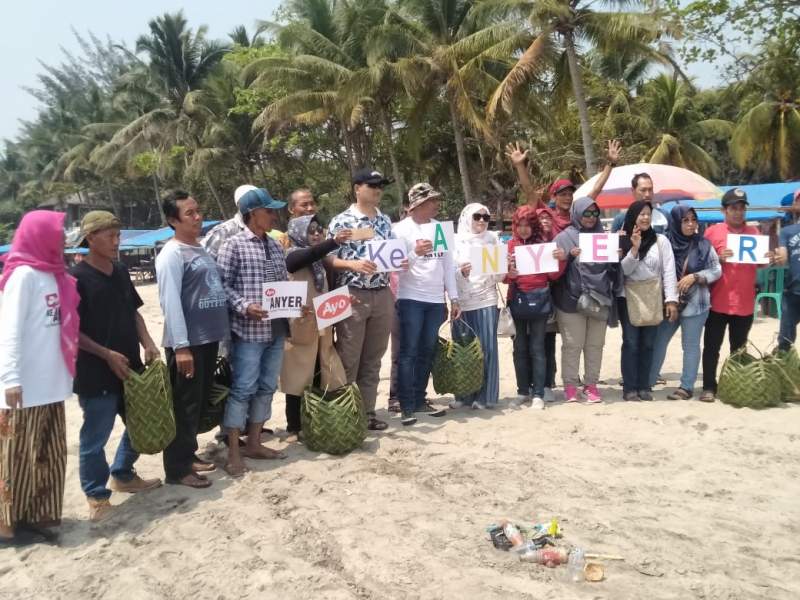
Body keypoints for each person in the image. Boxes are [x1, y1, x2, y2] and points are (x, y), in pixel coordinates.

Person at [71, 211, 162, 522]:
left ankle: (122, 473)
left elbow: (134, 312)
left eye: (117, 234)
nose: (115, 241)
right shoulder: (76, 279)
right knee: (95, 437)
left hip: (131, 364)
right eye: (109, 235)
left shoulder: (121, 271)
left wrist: (148, 341)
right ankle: (96, 495)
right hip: (95, 372)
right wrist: (105, 353)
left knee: (140, 423)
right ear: (90, 239)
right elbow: (72, 331)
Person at [0, 211, 78, 545]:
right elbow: (10, 331)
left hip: (52, 384)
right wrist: (10, 377)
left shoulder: (56, 275)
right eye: (58, 233)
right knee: (14, 458)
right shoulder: (24, 277)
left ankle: (36, 514)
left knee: (49, 454)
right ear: (40, 235)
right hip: (24, 387)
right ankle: (5, 525)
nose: (63, 239)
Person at [156, 190, 230, 488]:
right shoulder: (171, 254)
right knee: (183, 405)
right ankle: (177, 470)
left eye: (198, 211)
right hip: (188, 343)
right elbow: (170, 302)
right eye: (189, 213)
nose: (197, 217)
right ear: (173, 220)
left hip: (208, 338)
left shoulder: (199, 248)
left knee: (197, 404)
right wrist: (181, 346)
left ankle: (188, 455)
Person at [217, 188, 289, 477]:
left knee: (267, 387)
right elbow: (220, 285)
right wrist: (245, 306)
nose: (274, 215)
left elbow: (282, 284)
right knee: (243, 389)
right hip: (247, 331)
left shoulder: (274, 246)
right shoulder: (232, 245)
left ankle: (255, 442)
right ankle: (234, 450)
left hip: (276, 328)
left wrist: (296, 305)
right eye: (268, 211)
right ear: (252, 215)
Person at [327, 168, 400, 431]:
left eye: (380, 185)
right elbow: (328, 258)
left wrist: (398, 259)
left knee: (374, 357)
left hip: (382, 293)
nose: (378, 189)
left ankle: (367, 412)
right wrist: (351, 264)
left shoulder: (385, 220)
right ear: (357, 188)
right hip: (353, 295)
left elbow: (390, 253)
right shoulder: (341, 221)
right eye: (372, 185)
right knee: (349, 355)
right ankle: (345, 412)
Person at [393, 184, 460, 425]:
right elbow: (394, 266)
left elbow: (447, 265)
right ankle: (406, 404)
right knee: (408, 352)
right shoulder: (399, 230)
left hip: (434, 300)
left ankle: (420, 399)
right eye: (432, 201)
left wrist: (453, 297)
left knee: (427, 351)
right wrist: (414, 253)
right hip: (410, 297)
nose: (436, 205)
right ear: (418, 205)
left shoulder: (440, 228)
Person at [701, 189, 775, 401]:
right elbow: (700, 261)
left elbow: (761, 263)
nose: (738, 212)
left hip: (744, 304)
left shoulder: (754, 233)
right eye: (734, 208)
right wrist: (716, 257)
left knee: (738, 349)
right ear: (724, 210)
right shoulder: (713, 232)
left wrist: (768, 257)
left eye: (742, 208)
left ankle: (733, 384)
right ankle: (708, 387)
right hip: (717, 302)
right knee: (712, 347)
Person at [280, 215, 348, 440]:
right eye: (310, 231)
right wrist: (333, 242)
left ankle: (316, 419)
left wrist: (345, 302)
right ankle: (294, 426)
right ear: (298, 233)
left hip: (321, 324)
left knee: (321, 371)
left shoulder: (320, 260)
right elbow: (299, 260)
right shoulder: (293, 255)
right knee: (298, 376)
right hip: (300, 325)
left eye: (319, 229)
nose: (317, 234)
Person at [648, 206, 721, 399]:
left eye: (693, 220)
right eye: (685, 220)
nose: (690, 224)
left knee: (690, 345)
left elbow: (716, 269)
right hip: (669, 303)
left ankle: (686, 386)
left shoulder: (704, 244)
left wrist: (696, 276)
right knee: (659, 341)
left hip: (696, 305)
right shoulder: (664, 243)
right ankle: (648, 381)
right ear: (675, 222)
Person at [553, 197, 621, 403]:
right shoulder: (564, 237)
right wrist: (567, 258)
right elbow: (554, 274)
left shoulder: (604, 236)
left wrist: (616, 257)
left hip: (600, 298)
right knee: (572, 345)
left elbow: (611, 272)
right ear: (577, 214)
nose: (591, 218)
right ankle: (571, 386)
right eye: (586, 213)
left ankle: (591, 385)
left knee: (595, 345)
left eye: (594, 213)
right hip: (571, 300)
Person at [505, 206, 566, 409]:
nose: (523, 229)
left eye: (527, 225)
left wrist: (561, 260)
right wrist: (509, 275)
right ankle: (523, 391)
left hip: (539, 301)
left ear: (534, 226)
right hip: (517, 301)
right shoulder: (510, 245)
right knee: (519, 348)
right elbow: (504, 277)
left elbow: (554, 276)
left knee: (537, 348)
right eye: (519, 225)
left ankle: (538, 393)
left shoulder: (544, 245)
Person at [618, 201, 679, 401]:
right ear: (633, 216)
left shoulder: (661, 241)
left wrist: (671, 300)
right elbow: (623, 271)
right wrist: (634, 249)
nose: (645, 218)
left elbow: (669, 271)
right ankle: (630, 388)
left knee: (648, 344)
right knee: (631, 343)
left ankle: (644, 386)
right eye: (641, 214)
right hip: (629, 297)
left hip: (653, 296)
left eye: (648, 214)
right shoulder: (622, 240)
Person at [506, 140, 621, 234]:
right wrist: (519, 165)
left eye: (570, 194)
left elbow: (596, 189)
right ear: (554, 197)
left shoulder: (577, 214)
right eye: (563, 194)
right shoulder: (547, 214)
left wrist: (611, 163)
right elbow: (529, 191)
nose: (568, 198)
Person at [452, 203, 504, 409]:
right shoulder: (456, 241)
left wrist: (502, 266)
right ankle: (464, 395)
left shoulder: (493, 240)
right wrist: (461, 273)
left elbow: (500, 276)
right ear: (467, 218)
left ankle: (485, 396)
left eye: (485, 217)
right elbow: (448, 274)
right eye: (477, 216)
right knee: (462, 349)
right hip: (461, 301)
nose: (481, 221)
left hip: (486, 299)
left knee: (487, 349)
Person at [537, 207, 559, 401]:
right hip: (527, 301)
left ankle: (548, 382)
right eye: (541, 217)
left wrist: (561, 260)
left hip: (551, 300)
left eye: (548, 217)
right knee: (529, 344)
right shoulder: (526, 242)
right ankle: (531, 384)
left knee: (548, 343)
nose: (545, 220)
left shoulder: (556, 242)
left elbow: (557, 275)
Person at [776, 191, 800, 351]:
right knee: (785, 338)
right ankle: (783, 367)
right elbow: (782, 258)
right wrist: (779, 257)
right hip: (794, 291)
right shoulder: (787, 231)